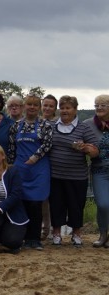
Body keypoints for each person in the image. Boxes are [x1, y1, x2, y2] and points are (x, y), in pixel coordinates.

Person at [48, 95, 99, 247]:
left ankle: (76, 234)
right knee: (56, 205)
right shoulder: (51, 126)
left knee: (76, 206)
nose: (64, 111)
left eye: (68, 108)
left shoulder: (83, 127)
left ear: (75, 110)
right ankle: (56, 234)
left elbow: (95, 151)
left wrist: (86, 148)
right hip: (55, 174)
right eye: (62, 108)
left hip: (77, 176)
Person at [7, 94, 53, 250]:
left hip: (39, 169)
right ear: (24, 106)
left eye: (35, 104)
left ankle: (35, 239)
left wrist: (35, 157)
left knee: (36, 203)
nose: (32, 107)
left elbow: (47, 144)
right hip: (20, 169)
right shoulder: (16, 125)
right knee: (23, 203)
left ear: (39, 107)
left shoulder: (45, 125)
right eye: (29, 104)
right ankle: (25, 237)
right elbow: (12, 148)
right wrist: (10, 166)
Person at [86, 95, 109, 248]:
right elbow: (79, 140)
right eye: (96, 105)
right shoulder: (88, 124)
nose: (99, 108)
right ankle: (103, 234)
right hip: (99, 170)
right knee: (103, 204)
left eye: (103, 105)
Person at [40, 94, 58, 239]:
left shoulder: (58, 124)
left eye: (51, 106)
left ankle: (52, 229)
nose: (47, 108)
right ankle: (43, 229)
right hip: (40, 165)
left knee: (54, 199)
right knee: (42, 199)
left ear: (55, 108)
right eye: (45, 105)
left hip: (56, 165)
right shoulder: (36, 122)